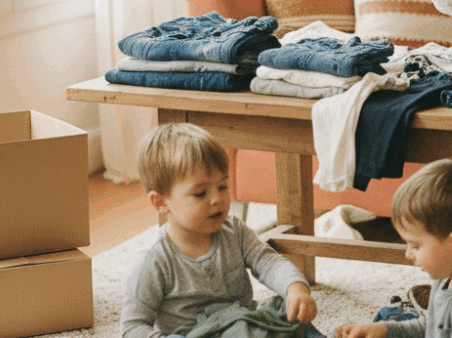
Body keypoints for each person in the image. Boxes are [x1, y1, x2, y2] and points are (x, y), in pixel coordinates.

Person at [121, 123, 319, 338]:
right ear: (161, 203)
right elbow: (132, 327)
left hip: (245, 326)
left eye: (222, 186)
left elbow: (269, 263)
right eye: (200, 193)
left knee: (287, 314)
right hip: (198, 335)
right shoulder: (154, 261)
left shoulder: (235, 231)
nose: (217, 198)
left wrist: (294, 287)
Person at [334, 159, 452, 338]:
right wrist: (384, 330)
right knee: (386, 317)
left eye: (415, 245)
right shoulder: (451, 270)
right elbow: (433, 326)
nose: (408, 254)